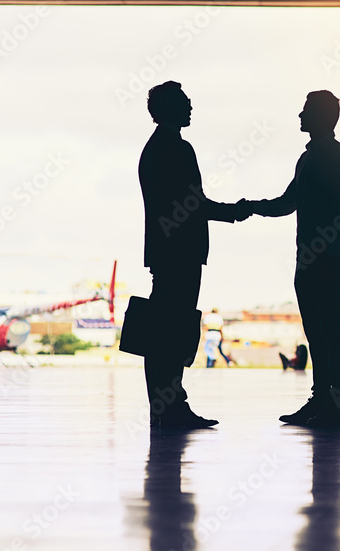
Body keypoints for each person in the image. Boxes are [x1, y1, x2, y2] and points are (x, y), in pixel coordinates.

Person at [239, 90, 340, 428]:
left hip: (323, 258)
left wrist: (249, 208)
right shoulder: (313, 157)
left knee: (329, 330)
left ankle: (332, 404)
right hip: (313, 257)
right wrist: (253, 206)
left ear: (320, 116)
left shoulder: (337, 158)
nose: (300, 116)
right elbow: (288, 202)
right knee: (319, 331)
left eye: (305, 110)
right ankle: (324, 401)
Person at [139, 81, 249, 430]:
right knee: (172, 331)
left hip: (164, 250)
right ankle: (172, 406)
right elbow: (193, 204)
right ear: (169, 108)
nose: (191, 108)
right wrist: (234, 211)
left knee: (162, 331)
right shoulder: (177, 148)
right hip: (181, 252)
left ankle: (166, 404)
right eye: (185, 102)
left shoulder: (154, 148)